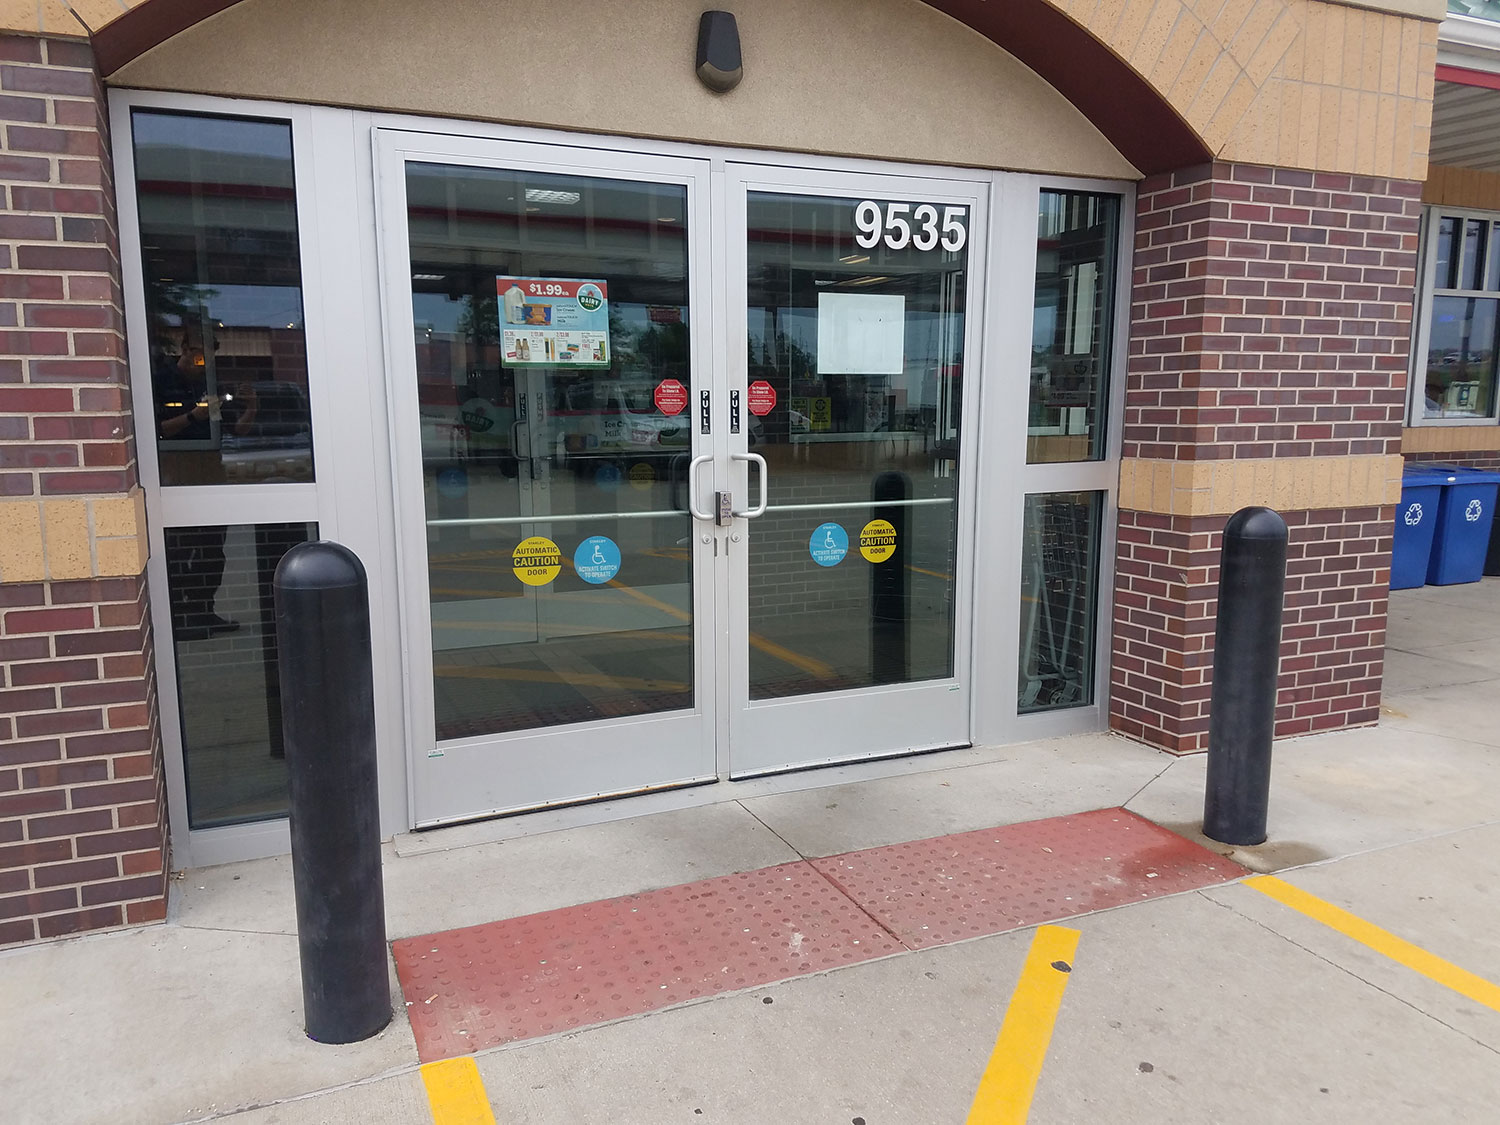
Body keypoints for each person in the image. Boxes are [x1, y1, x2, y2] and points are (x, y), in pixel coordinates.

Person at [153, 330, 258, 639]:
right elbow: (157, 430)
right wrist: (193, 416)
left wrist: (251, 406)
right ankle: (181, 618)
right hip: (175, 475)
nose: (200, 360)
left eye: (207, 355)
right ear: (184, 348)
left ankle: (204, 611)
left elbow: (238, 430)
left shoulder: (211, 385)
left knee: (212, 551)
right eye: (196, 352)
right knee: (180, 550)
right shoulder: (161, 380)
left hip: (211, 473)